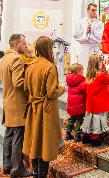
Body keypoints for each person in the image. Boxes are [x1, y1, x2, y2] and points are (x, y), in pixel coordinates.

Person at [23, 36, 66, 178]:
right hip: (45, 109)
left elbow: (25, 88)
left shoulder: (29, 66)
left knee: (34, 140)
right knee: (45, 142)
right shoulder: (49, 67)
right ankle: (42, 174)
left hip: (33, 108)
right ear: (47, 49)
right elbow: (51, 92)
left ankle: (35, 172)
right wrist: (62, 88)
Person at [0, 34, 32, 177]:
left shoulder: (4, 58)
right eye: (24, 43)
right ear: (16, 44)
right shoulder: (16, 58)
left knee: (9, 136)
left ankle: (7, 165)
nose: (25, 46)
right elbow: (18, 83)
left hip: (7, 100)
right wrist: (31, 90)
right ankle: (17, 169)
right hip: (17, 103)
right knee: (18, 138)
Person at [81, 54, 109, 146]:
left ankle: (85, 137)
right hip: (99, 103)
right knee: (97, 121)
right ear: (97, 64)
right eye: (100, 62)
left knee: (89, 119)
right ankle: (94, 139)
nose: (102, 63)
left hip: (91, 102)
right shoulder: (101, 75)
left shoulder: (88, 75)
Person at [73, 3, 104, 71]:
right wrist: (85, 31)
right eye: (92, 10)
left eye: (95, 10)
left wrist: (92, 31)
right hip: (84, 47)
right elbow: (75, 35)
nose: (94, 12)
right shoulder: (80, 22)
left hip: (94, 47)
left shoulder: (99, 23)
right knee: (83, 67)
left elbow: (102, 36)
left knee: (94, 68)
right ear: (88, 10)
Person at [65, 63, 87, 142]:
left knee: (71, 119)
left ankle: (68, 134)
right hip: (80, 105)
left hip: (71, 105)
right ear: (78, 71)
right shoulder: (81, 81)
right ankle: (77, 135)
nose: (83, 73)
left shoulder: (69, 80)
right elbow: (85, 91)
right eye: (82, 71)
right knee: (80, 120)